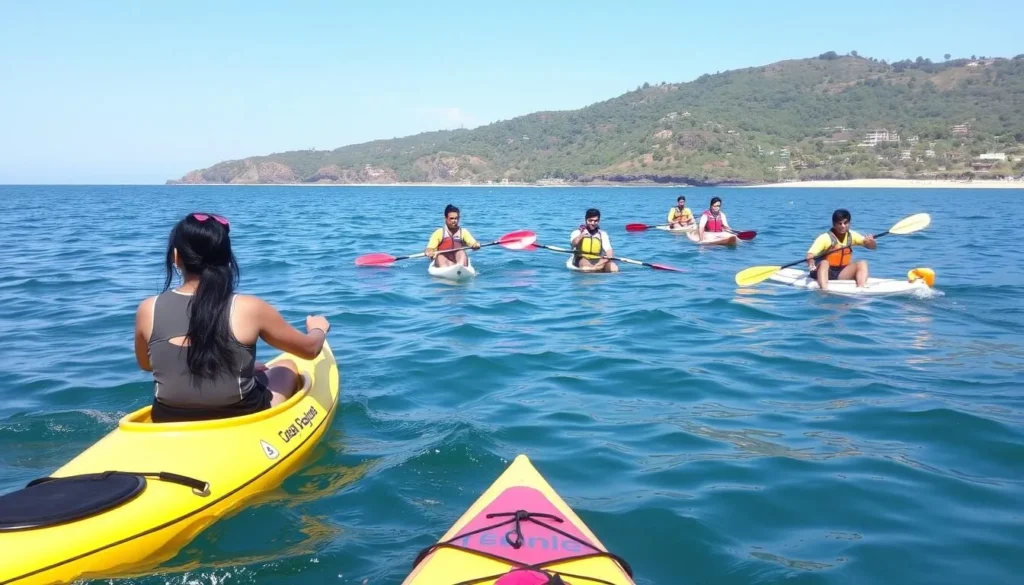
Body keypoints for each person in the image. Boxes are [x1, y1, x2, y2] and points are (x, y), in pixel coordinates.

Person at [133, 212, 331, 423]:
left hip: (167, 418)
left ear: (176, 256)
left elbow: (148, 364)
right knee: (286, 367)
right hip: (238, 416)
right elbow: (310, 350)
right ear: (227, 257)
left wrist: (230, 366)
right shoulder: (250, 307)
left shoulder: (148, 308)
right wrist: (317, 329)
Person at [805, 209, 876, 290]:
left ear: (849, 223)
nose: (843, 226)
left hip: (841, 273)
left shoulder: (852, 235)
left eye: (845, 223)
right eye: (840, 223)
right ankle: (824, 290)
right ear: (834, 224)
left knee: (862, 263)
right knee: (824, 262)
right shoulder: (825, 238)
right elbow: (810, 254)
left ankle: (860, 289)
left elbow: (872, 247)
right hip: (822, 271)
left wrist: (870, 242)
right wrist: (810, 261)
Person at [570, 208, 618, 272]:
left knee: (614, 268)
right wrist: (582, 235)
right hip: (582, 258)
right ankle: (597, 268)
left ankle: (597, 268)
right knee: (586, 268)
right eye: (590, 220)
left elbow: (608, 249)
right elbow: (573, 243)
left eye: (596, 221)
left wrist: (609, 257)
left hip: (598, 259)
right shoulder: (577, 232)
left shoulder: (602, 234)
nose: (593, 223)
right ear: (586, 220)